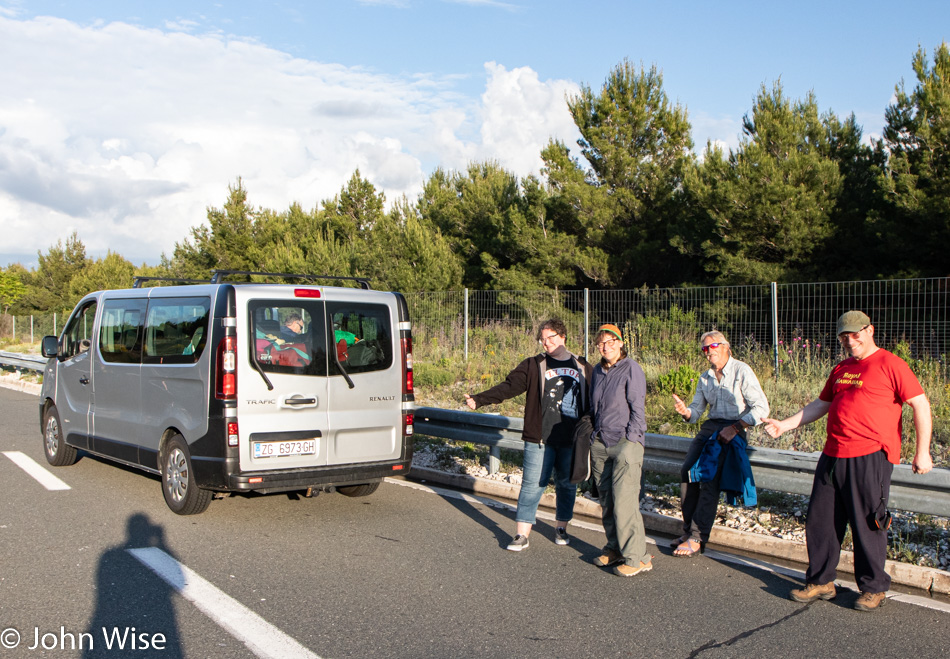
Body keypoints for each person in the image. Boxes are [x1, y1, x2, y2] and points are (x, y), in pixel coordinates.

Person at [763, 310, 933, 612]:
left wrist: (923, 451)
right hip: (832, 454)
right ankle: (821, 581)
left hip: (870, 455)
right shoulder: (842, 368)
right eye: (844, 335)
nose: (849, 340)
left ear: (870, 330)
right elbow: (821, 405)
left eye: (855, 334)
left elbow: (920, 404)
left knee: (868, 523)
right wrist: (784, 425)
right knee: (821, 521)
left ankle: (873, 587)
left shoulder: (891, 364)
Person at [465, 319, 592, 551]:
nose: (546, 343)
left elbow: (597, 399)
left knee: (566, 484)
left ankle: (561, 527)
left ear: (563, 337)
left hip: (571, 439)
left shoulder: (583, 367)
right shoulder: (534, 365)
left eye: (551, 337)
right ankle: (521, 535)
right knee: (532, 485)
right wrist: (480, 399)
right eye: (543, 339)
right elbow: (509, 386)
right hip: (540, 438)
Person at [670, 331, 769, 557]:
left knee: (709, 477)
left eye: (713, 345)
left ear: (726, 346)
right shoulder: (705, 377)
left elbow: (761, 408)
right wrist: (686, 412)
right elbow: (697, 411)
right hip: (712, 426)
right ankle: (688, 530)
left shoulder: (742, 371)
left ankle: (698, 536)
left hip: (734, 427)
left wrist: (735, 428)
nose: (709, 351)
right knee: (687, 471)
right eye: (705, 348)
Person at [588, 324, 652, 577]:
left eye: (611, 341)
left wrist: (633, 441)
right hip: (601, 442)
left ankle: (637, 558)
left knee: (624, 504)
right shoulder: (597, 370)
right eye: (601, 342)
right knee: (607, 501)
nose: (606, 346)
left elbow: (638, 408)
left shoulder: (632, 369)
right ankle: (615, 548)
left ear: (621, 343)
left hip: (625, 443)